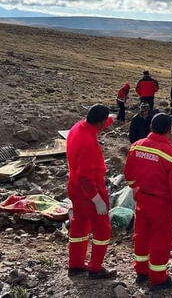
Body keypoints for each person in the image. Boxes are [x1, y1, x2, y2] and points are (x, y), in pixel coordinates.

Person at [123, 113, 172, 290]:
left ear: (151, 127)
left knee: (141, 236)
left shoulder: (136, 147)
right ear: (169, 130)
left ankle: (141, 271)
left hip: (142, 199)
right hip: (161, 204)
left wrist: (136, 188)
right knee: (160, 240)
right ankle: (158, 279)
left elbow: (128, 175)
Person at [66, 104, 117, 279]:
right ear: (100, 123)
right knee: (102, 229)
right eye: (105, 122)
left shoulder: (77, 128)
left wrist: (111, 120)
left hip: (74, 188)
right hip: (89, 191)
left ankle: (75, 265)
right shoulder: (88, 143)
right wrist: (97, 199)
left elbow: (96, 126)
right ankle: (95, 268)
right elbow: (85, 178)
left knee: (79, 225)